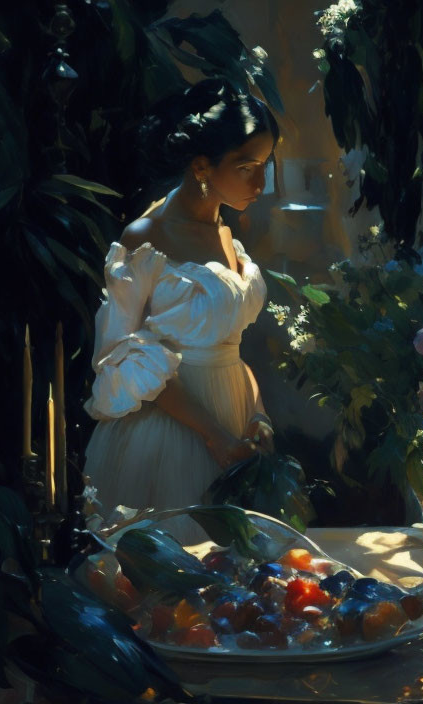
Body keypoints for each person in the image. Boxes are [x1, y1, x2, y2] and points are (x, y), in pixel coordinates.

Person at [83, 78, 278, 540]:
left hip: (234, 422)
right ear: (201, 166)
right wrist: (214, 436)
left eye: (265, 165)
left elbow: (227, 347)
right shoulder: (144, 237)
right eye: (247, 166)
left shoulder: (228, 235)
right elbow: (121, 353)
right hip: (171, 432)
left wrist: (258, 415)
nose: (261, 182)